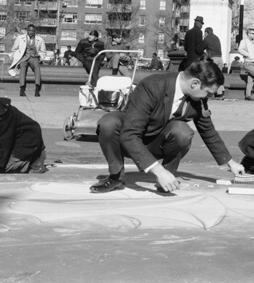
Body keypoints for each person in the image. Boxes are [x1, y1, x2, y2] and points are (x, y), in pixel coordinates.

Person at [89, 59, 245, 193]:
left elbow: (208, 130)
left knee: (182, 131)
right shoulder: (152, 86)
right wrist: (158, 170)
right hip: (128, 141)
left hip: (157, 144)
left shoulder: (197, 98)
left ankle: (167, 179)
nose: (210, 97)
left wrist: (230, 163)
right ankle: (117, 177)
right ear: (195, 83)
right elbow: (129, 134)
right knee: (108, 122)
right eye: (208, 93)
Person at [10, 24, 46, 97]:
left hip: (34, 57)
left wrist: (40, 58)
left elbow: (43, 51)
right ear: (27, 31)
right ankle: (22, 89)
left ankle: (37, 90)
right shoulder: (20, 38)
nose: (31, 32)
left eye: (33, 30)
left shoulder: (40, 39)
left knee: (37, 70)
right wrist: (16, 56)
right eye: (29, 30)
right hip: (24, 57)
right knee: (22, 70)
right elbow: (14, 49)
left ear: (35, 31)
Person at [238, 27, 254, 101]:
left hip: (253, 63)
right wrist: (247, 54)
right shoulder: (244, 41)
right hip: (248, 63)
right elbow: (240, 49)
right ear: (248, 34)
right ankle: (251, 87)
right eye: (252, 33)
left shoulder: (252, 42)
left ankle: (248, 96)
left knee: (250, 80)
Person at [203, 26, 225, 99]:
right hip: (220, 58)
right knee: (219, 76)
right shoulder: (216, 37)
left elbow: (201, 47)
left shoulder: (207, 38)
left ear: (206, 32)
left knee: (210, 76)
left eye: (204, 33)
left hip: (213, 58)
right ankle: (220, 94)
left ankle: (209, 94)